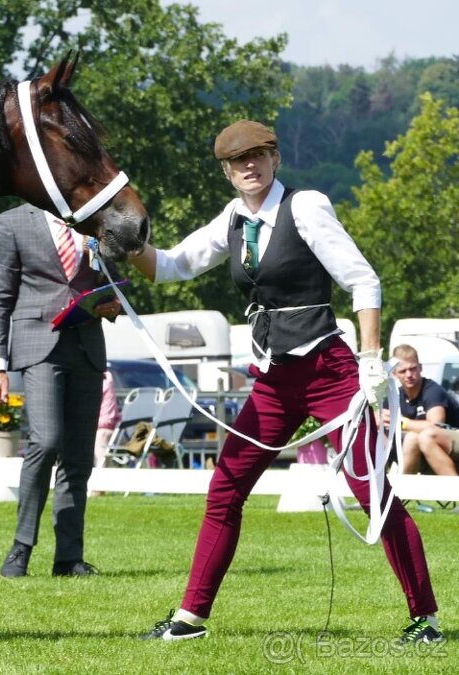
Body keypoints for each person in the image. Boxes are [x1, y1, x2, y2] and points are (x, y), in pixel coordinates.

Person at [130, 120, 441, 643]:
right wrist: (118, 243)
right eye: (238, 160)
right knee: (224, 489)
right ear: (227, 172)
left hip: (329, 373)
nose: (249, 165)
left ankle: (424, 619)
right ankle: (189, 619)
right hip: (273, 381)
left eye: (258, 155)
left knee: (372, 493)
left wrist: (370, 360)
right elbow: (168, 267)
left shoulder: (306, 206)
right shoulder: (232, 219)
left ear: (275, 159)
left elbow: (363, 280)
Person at [0, 203, 122, 578]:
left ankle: (69, 558)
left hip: (87, 348)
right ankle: (21, 547)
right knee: (45, 441)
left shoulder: (94, 221)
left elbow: (111, 282)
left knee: (78, 459)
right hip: (37, 345)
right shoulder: (13, 221)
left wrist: (111, 303)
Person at [385, 344, 459, 476]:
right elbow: (382, 424)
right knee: (410, 438)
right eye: (403, 371)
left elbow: (435, 426)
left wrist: (401, 423)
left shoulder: (432, 391)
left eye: (413, 368)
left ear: (420, 367)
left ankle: (454, 487)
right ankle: (395, 486)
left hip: (450, 442)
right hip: (427, 451)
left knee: (426, 436)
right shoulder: (394, 397)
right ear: (394, 373)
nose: (409, 375)